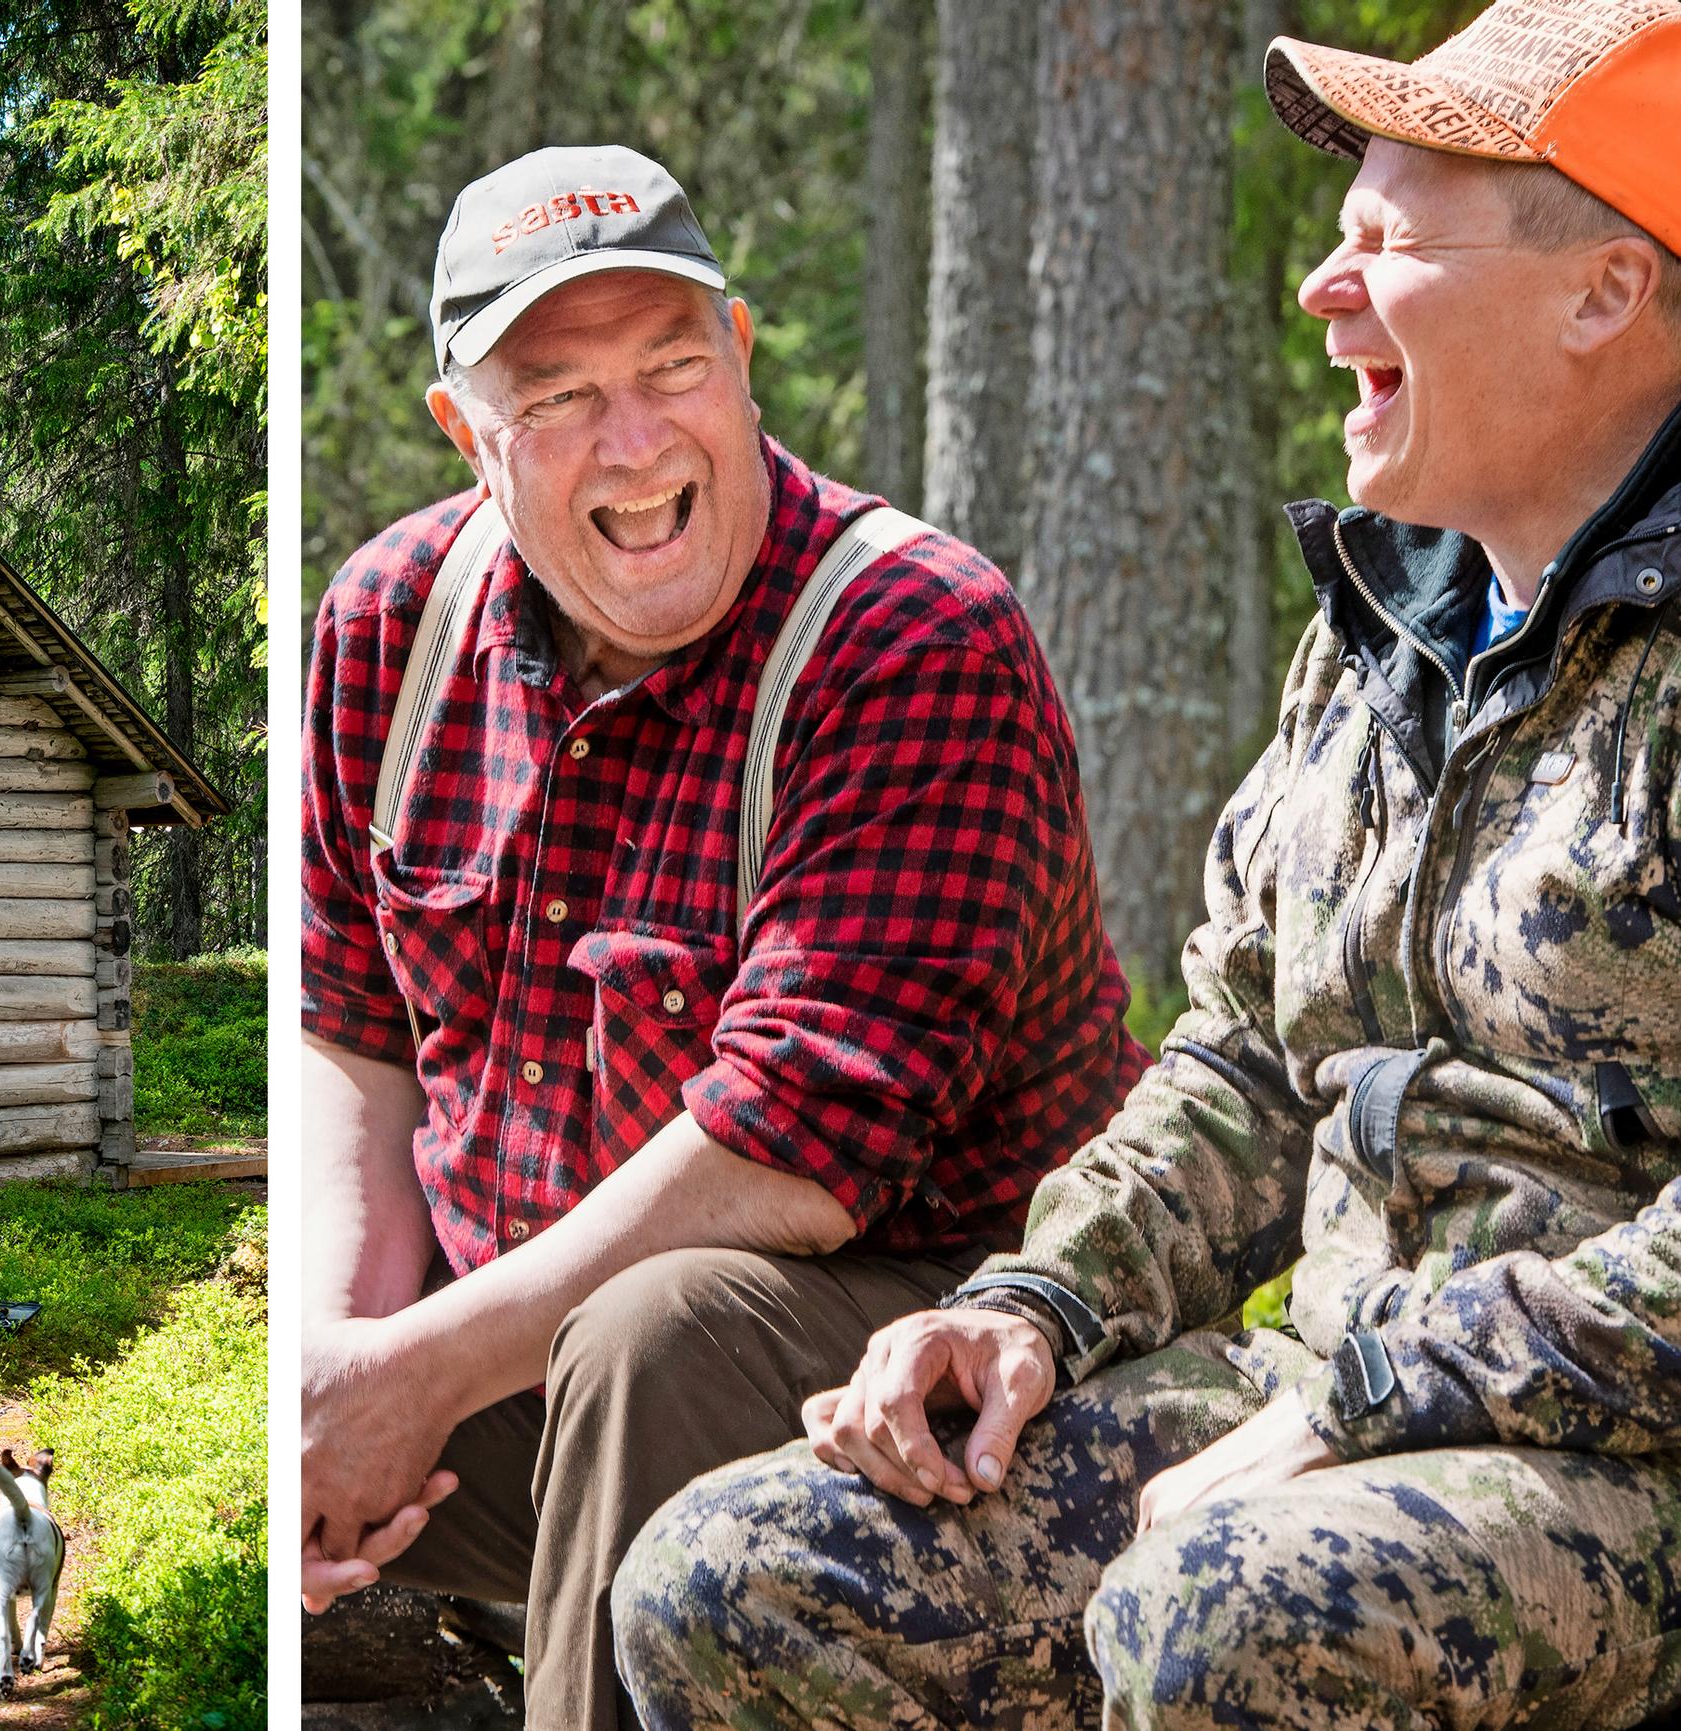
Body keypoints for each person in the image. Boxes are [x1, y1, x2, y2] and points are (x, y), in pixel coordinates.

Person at [612, 4, 1681, 1727]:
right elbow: (1245, 1056)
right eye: (1331, 242)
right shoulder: (1377, 633)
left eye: (1388, 244)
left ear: (1600, 290)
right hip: (1309, 1388)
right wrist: (1036, 1306)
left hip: (1611, 1458)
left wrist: (1372, 1395)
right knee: (729, 1579)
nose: (1319, 293)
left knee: (1215, 1614)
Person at [299, 143, 1148, 1731]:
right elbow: (352, 1028)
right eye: (553, 398)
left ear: (742, 356)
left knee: (655, 1328)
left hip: (944, 1349)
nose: (634, 442)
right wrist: (342, 1375)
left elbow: (792, 1156)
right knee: (281, 1371)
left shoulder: (910, 636)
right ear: (464, 435)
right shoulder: (386, 622)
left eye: (672, 366)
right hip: (539, 1340)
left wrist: (411, 1375)